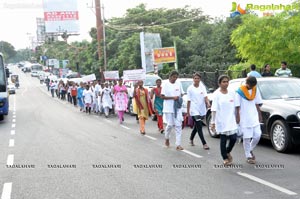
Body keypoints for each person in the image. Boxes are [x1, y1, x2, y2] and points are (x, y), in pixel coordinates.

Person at [211, 75, 238, 166]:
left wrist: (238, 117)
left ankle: (227, 151)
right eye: (224, 82)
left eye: (227, 81)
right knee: (223, 139)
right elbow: (214, 109)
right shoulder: (216, 94)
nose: (226, 83)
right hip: (221, 120)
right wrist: (213, 122)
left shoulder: (232, 92)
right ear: (219, 83)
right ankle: (225, 158)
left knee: (233, 138)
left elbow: (236, 106)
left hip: (231, 120)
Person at [235, 76, 263, 164]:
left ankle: (250, 149)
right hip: (244, 117)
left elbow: (257, 103)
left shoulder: (255, 90)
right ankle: (248, 156)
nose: (251, 87)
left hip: (254, 116)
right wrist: (237, 117)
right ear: (247, 83)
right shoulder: (239, 92)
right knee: (246, 137)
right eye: (250, 85)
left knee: (258, 135)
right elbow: (237, 106)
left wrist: (259, 114)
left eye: (253, 86)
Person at [186, 73, 210, 150]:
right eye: (195, 78)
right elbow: (188, 101)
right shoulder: (190, 88)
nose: (196, 80)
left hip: (201, 109)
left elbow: (205, 96)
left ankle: (191, 138)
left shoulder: (202, 87)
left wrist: (208, 102)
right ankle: (204, 143)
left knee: (197, 126)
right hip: (194, 109)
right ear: (193, 79)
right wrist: (188, 111)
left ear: (200, 79)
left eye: (198, 78)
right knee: (199, 126)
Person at [161, 70, 184, 150]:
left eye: (176, 77)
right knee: (170, 125)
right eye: (174, 77)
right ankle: (167, 138)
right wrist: (172, 98)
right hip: (168, 108)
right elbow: (162, 96)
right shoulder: (165, 84)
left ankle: (178, 144)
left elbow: (181, 93)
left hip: (177, 108)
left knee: (178, 125)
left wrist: (179, 99)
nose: (175, 79)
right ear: (170, 77)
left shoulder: (178, 84)